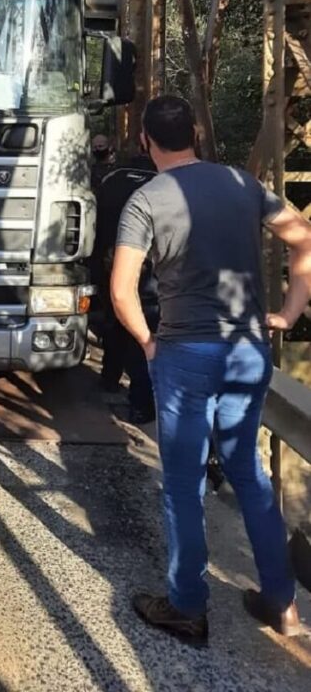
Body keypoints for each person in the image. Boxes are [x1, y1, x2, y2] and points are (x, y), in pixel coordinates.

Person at [111, 94, 311, 646]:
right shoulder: (245, 186)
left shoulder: (145, 199)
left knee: (181, 484)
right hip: (248, 350)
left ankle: (188, 607)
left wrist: (148, 342)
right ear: (196, 131)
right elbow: (304, 238)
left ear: (146, 140)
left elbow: (122, 290)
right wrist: (288, 313)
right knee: (248, 472)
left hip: (186, 354)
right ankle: (283, 604)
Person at [92, 154, 158, 423]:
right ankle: (143, 402)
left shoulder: (111, 182)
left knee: (116, 323)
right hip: (152, 272)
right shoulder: (162, 184)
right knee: (146, 334)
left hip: (114, 263)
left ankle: (110, 378)